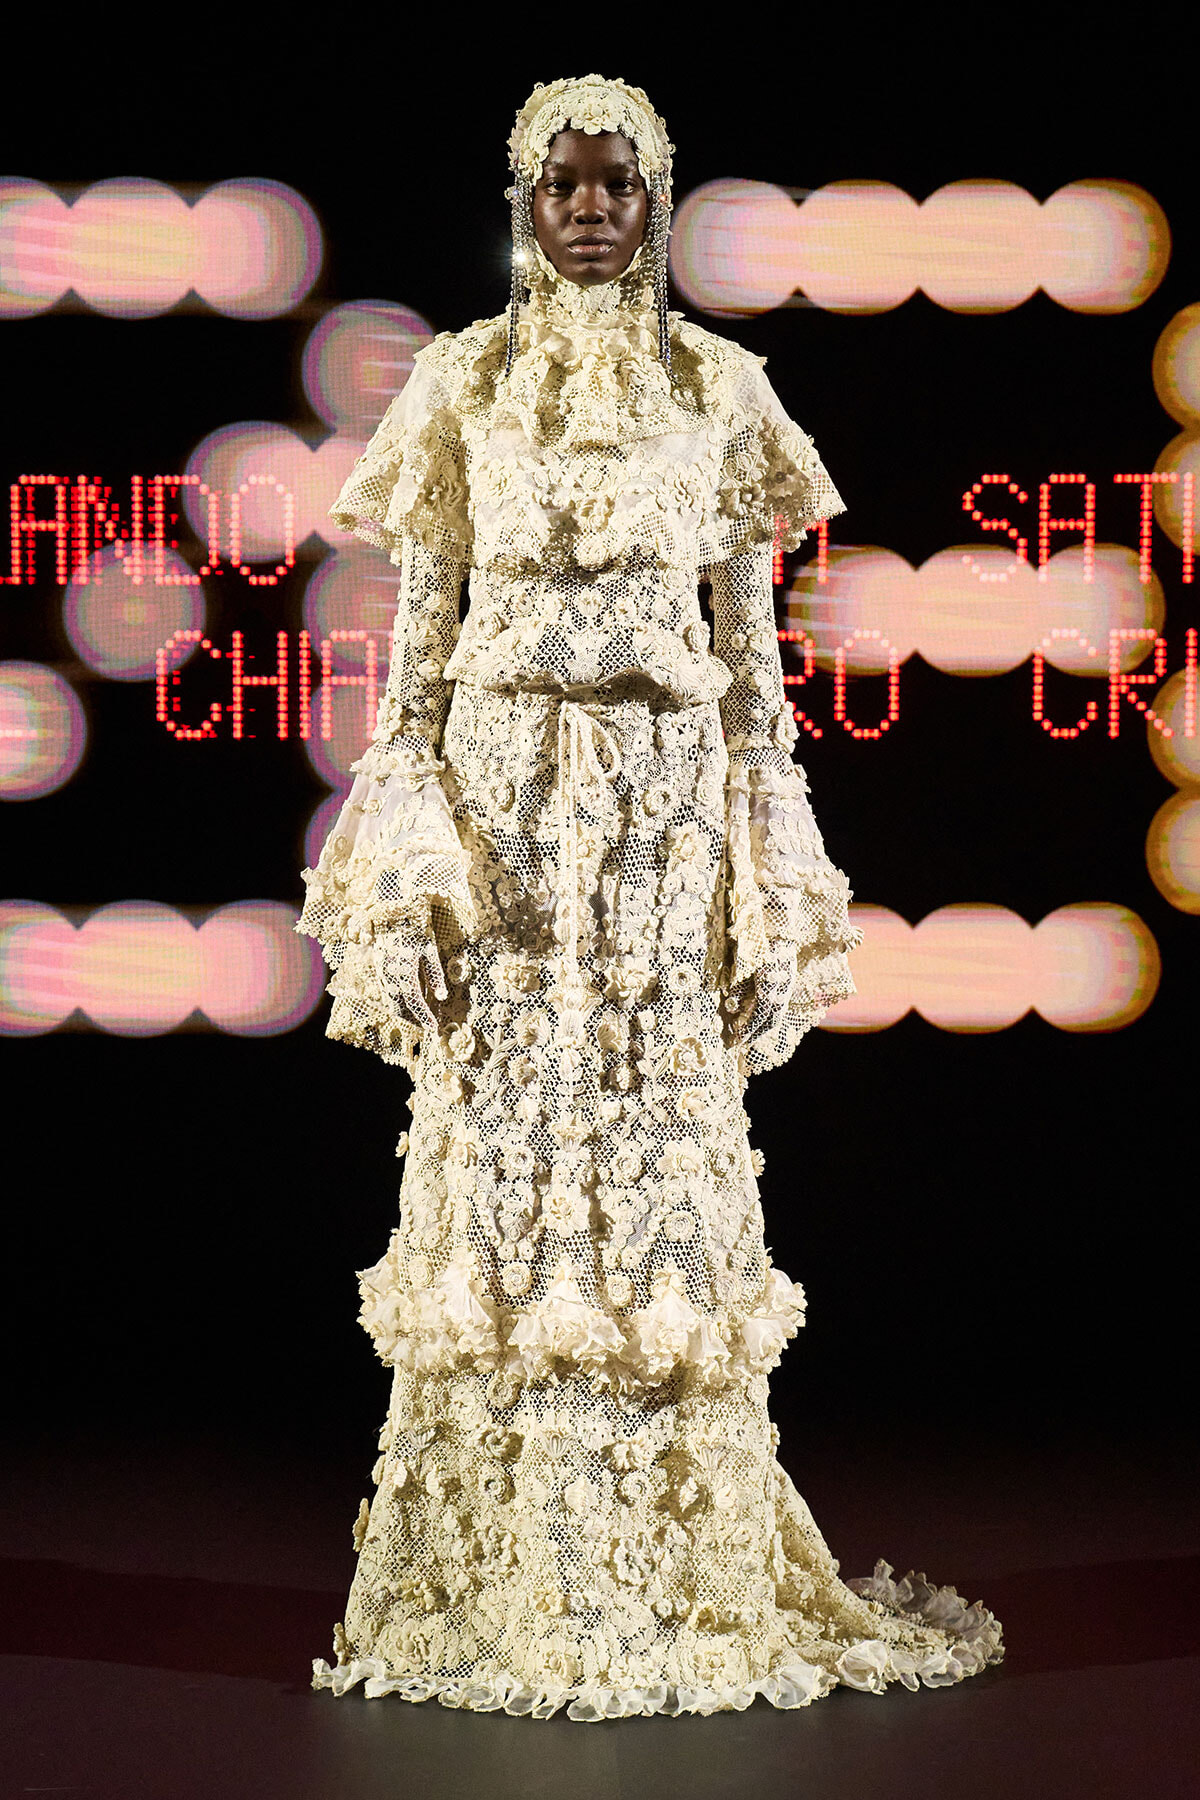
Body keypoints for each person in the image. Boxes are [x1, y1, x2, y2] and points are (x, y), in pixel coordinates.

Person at [297, 73, 1003, 1722]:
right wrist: (416, 874)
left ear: (659, 200)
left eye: (622, 183)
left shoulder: (723, 395)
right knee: (512, 1180)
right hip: (513, 833)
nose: (595, 208)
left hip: (660, 831)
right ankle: (501, 1584)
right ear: (526, 204)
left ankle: (671, 1576)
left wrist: (772, 883)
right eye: (567, 185)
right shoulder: (462, 389)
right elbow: (410, 684)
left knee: (653, 1181)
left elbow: (760, 688)